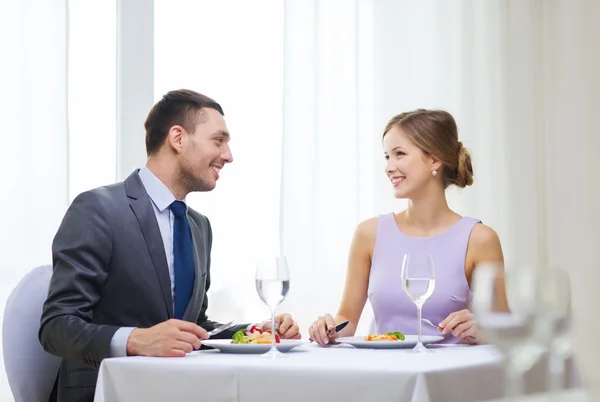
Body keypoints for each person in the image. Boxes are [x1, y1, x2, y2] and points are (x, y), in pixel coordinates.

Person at [39, 89, 300, 402]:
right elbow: (56, 327)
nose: (228, 155)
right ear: (178, 138)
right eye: (218, 140)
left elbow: (195, 326)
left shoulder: (198, 226)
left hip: (178, 390)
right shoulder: (98, 209)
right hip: (104, 393)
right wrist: (136, 340)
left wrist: (255, 332)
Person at [308, 109, 508, 346]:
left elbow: (505, 330)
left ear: (434, 159)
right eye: (387, 157)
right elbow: (347, 321)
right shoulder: (369, 234)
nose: (389, 167)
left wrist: (482, 330)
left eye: (399, 154)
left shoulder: (479, 239)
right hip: (386, 374)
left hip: (447, 376)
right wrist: (328, 329)